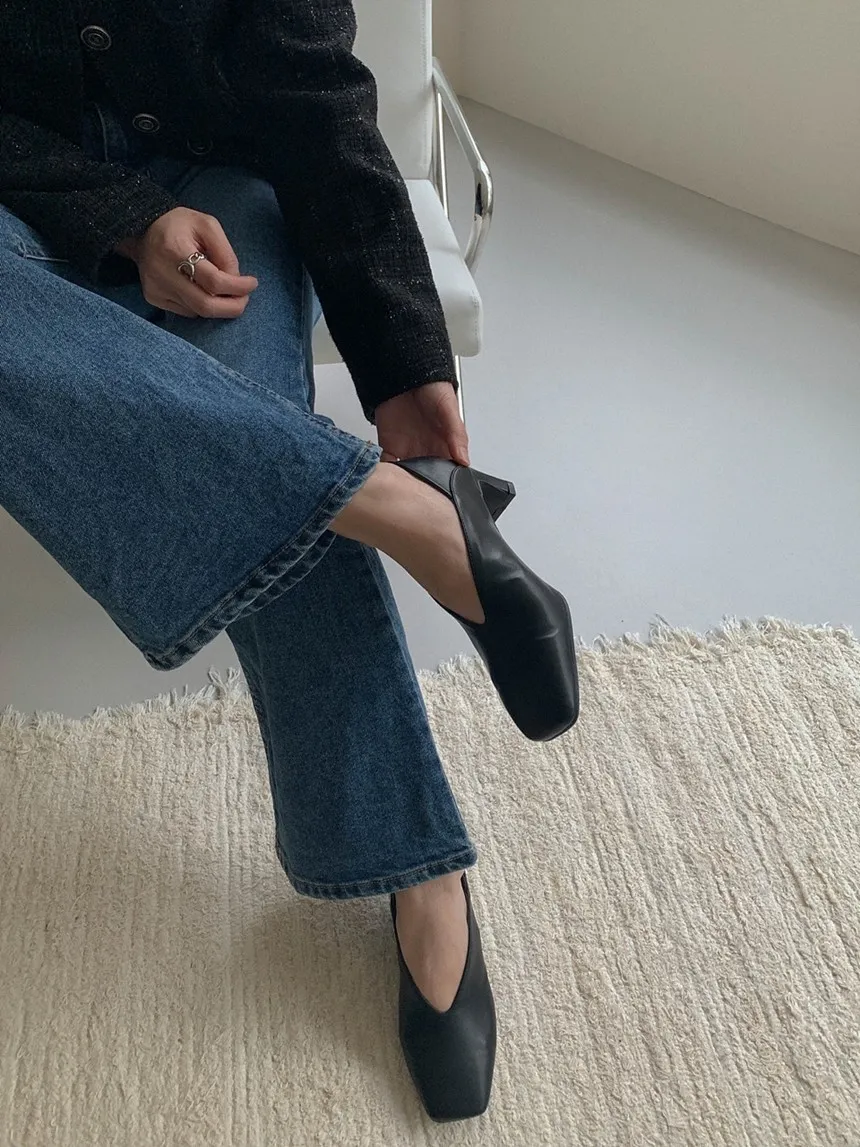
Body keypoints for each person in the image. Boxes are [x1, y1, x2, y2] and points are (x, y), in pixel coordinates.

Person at [0, 0, 578, 1122]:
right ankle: (409, 519)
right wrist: (124, 219)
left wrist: (408, 374)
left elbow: (314, 102)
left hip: (227, 184)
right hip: (19, 184)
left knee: (247, 421)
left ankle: (416, 869)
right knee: (272, 469)